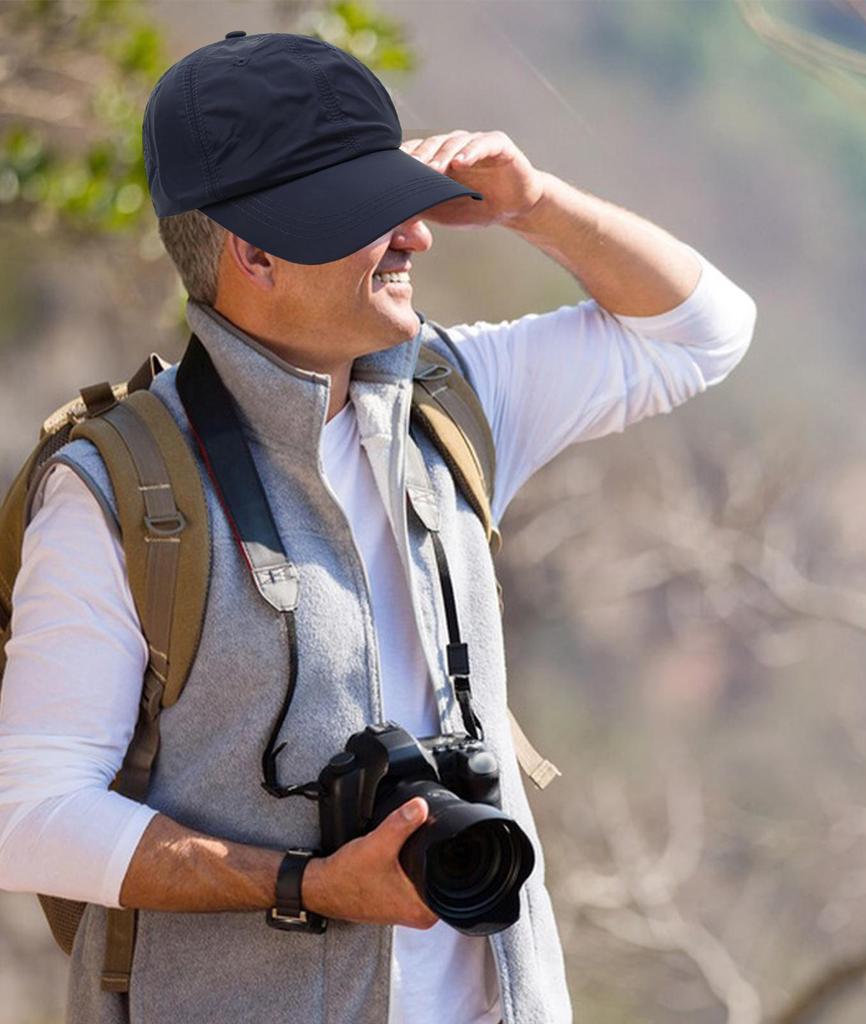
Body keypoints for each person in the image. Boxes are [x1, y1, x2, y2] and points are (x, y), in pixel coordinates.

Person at [0, 31, 757, 1024]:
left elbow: (705, 331)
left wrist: (538, 209)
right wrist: (304, 885)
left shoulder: (455, 398)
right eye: (368, 214)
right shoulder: (117, 494)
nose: (417, 237)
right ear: (253, 252)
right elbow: (29, 816)